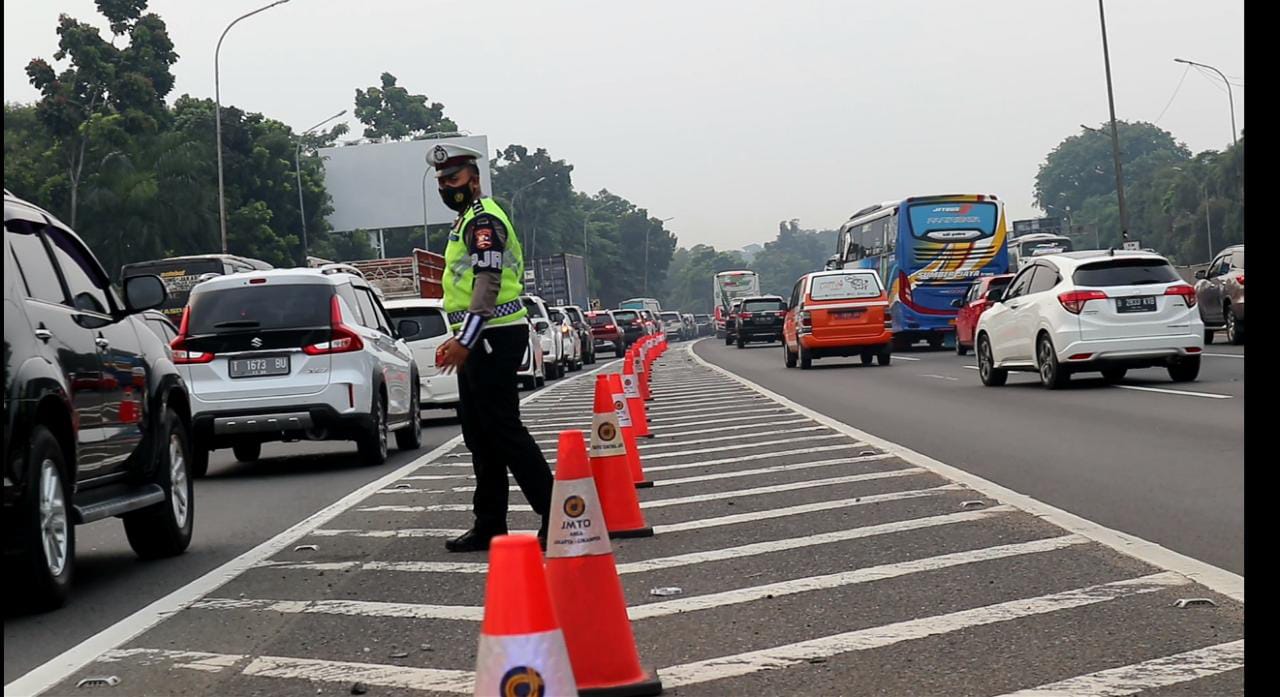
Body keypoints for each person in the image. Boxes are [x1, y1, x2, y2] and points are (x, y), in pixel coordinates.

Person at [430, 143, 553, 553]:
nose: (447, 187)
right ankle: (489, 524)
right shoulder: (466, 220)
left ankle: (556, 513)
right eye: (442, 181)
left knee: (503, 429)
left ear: (474, 179)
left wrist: (464, 341)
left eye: (454, 179)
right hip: (481, 334)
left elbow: (487, 282)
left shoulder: (484, 220)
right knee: (480, 434)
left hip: (492, 335)